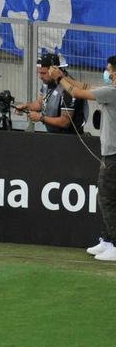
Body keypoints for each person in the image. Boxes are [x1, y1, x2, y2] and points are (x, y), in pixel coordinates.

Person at [49, 57, 116, 261]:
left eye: (109, 70)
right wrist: (65, 76)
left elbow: (78, 93)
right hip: (110, 153)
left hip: (113, 155)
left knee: (107, 199)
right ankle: (106, 240)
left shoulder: (112, 92)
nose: (107, 73)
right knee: (106, 198)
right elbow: (85, 86)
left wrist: (60, 78)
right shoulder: (109, 90)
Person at [15, 53, 86, 134]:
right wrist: (26, 106)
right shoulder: (48, 81)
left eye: (43, 73)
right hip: (53, 135)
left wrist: (41, 118)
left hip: (69, 138)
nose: (40, 77)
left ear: (55, 70)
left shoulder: (68, 88)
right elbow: (40, 103)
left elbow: (65, 122)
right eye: (39, 73)